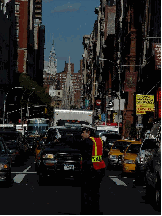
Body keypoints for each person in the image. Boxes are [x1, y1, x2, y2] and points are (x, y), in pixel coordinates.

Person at [79, 125, 106, 215]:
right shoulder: (99, 141)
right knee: (96, 191)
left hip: (90, 169)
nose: (81, 134)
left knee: (86, 192)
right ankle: (96, 211)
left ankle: (86, 212)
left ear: (88, 132)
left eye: (83, 132)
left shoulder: (87, 141)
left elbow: (79, 147)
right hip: (100, 169)